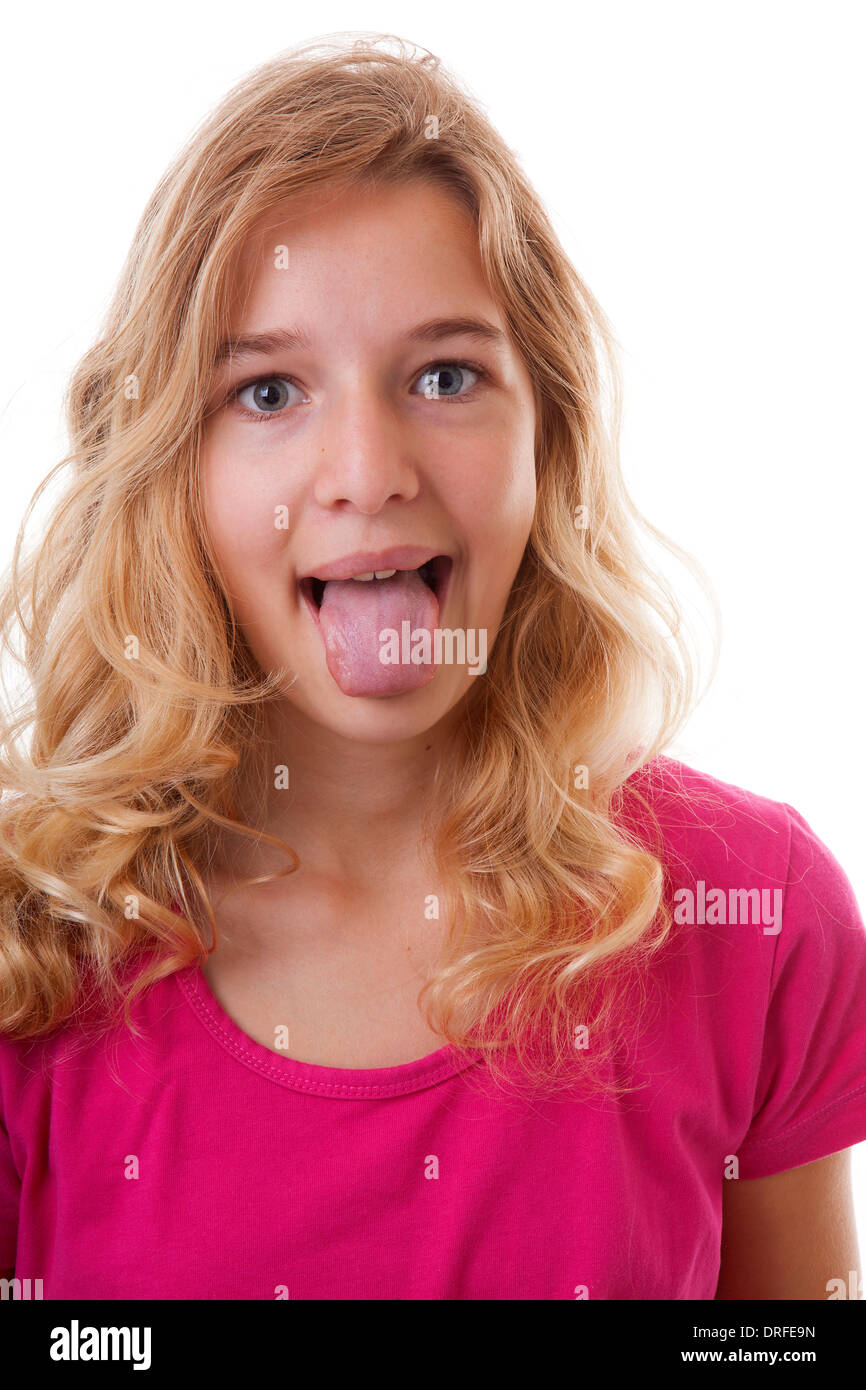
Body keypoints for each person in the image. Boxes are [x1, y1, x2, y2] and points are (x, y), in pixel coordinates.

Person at [0, 34, 864, 1302]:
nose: (367, 469)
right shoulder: (33, 945)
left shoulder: (751, 911)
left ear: (546, 440)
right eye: (267, 392)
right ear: (169, 465)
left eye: (445, 376)